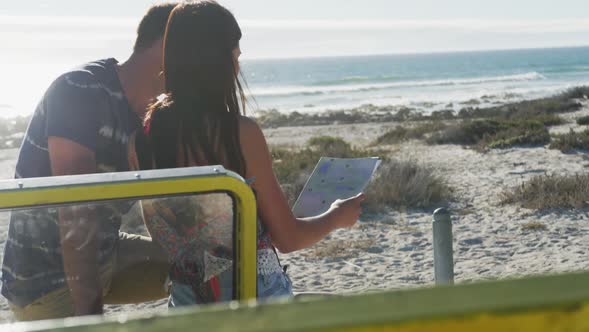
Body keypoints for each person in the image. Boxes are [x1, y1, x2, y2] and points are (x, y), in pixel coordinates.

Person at [132, 0, 365, 305]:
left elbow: (169, 240)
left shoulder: (141, 141)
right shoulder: (240, 134)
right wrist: (336, 216)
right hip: (255, 297)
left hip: (188, 303)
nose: (238, 65)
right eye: (235, 54)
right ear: (218, 61)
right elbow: (289, 238)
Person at [1, 3, 178, 321]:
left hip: (105, 252)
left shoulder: (156, 114)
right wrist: (90, 318)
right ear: (167, 46)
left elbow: (167, 206)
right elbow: (76, 211)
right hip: (46, 282)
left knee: (210, 264)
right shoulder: (79, 90)